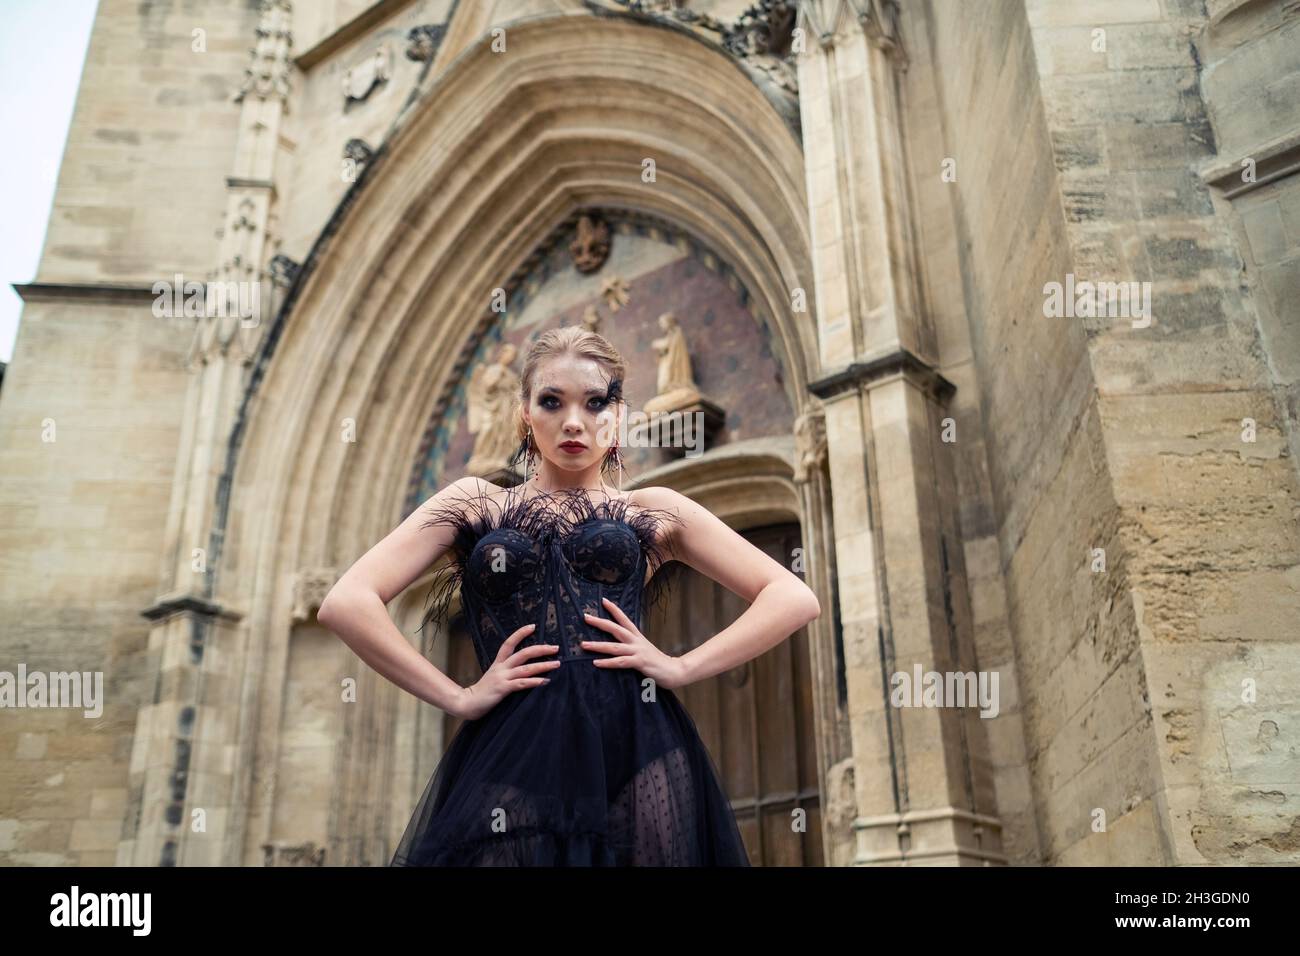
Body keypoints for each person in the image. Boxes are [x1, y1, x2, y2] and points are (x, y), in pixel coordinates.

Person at [318, 325, 821, 865]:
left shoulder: (652, 509)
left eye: (595, 402)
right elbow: (348, 601)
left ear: (619, 416)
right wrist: (457, 696)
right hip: (512, 751)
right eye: (552, 401)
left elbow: (791, 597)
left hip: (635, 748)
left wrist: (679, 666)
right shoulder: (475, 503)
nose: (574, 421)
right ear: (525, 414)